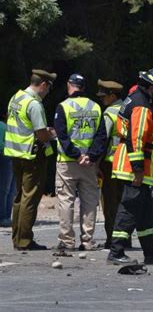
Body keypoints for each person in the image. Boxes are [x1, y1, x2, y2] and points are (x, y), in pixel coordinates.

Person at [107, 68, 153, 265]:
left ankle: (150, 251)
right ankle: (116, 251)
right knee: (129, 208)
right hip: (134, 167)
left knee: (145, 211)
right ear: (152, 87)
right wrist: (137, 169)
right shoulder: (141, 105)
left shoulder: (135, 99)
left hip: (137, 166)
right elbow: (136, 138)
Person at [4, 69, 56, 250]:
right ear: (43, 85)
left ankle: (17, 238)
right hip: (31, 155)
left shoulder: (16, 98)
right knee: (30, 197)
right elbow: (41, 135)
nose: (48, 92)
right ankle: (25, 240)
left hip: (15, 153)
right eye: (48, 88)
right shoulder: (34, 104)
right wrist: (51, 134)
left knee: (19, 197)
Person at [54, 74, 107, 251]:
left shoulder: (63, 107)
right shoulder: (96, 107)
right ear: (83, 88)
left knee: (66, 200)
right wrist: (90, 156)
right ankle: (87, 240)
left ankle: (67, 241)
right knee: (90, 200)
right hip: (89, 164)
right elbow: (101, 137)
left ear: (70, 85)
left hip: (68, 162)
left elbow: (62, 136)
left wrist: (76, 155)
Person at [96, 79, 125, 249]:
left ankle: (112, 238)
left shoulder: (110, 113)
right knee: (123, 200)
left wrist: (96, 164)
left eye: (104, 96)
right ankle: (124, 237)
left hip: (110, 163)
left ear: (112, 95)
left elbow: (103, 140)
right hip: (127, 162)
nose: (102, 99)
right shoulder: (128, 109)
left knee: (110, 202)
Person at [0, 107, 16, 227]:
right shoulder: (4, 127)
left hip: (11, 157)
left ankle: (6, 216)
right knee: (6, 188)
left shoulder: (9, 127)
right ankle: (3, 216)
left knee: (10, 189)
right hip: (7, 157)